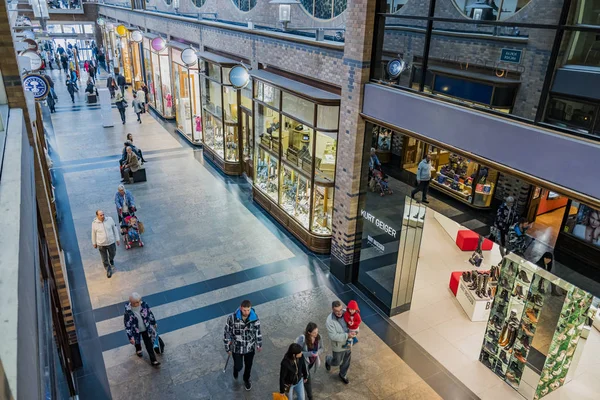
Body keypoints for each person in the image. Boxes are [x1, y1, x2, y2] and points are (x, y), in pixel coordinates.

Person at [223, 299, 262, 391]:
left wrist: (259, 343)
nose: (247, 312)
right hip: (237, 347)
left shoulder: (254, 317)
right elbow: (227, 333)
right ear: (241, 308)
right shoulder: (231, 318)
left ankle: (246, 379)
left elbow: (258, 331)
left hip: (250, 347)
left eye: (248, 310)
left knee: (248, 365)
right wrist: (227, 348)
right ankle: (236, 369)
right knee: (239, 366)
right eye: (244, 310)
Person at [123, 292, 161, 367]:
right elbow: (127, 325)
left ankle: (154, 360)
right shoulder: (128, 311)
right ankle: (138, 349)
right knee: (137, 341)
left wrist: (153, 322)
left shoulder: (144, 304)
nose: (140, 302)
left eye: (140, 300)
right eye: (137, 302)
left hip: (145, 328)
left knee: (149, 344)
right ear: (132, 303)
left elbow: (149, 313)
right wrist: (130, 337)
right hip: (136, 330)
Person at [325, 300, 354, 384]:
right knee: (337, 362)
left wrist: (355, 331)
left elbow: (355, 323)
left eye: (341, 309)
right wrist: (347, 335)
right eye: (337, 311)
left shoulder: (347, 313)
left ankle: (342, 374)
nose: (339, 312)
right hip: (338, 346)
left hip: (348, 342)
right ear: (332, 310)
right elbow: (333, 336)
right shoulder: (329, 321)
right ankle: (328, 359)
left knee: (347, 359)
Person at [296, 322, 323, 400]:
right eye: (314, 333)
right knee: (307, 378)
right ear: (309, 332)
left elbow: (322, 348)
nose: (316, 334)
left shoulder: (319, 337)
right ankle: (310, 396)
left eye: (317, 331)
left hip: (312, 361)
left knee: (305, 376)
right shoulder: (303, 339)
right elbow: (298, 353)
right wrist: (309, 354)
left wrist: (318, 353)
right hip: (304, 363)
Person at [91, 210, 120, 278]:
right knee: (104, 258)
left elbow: (114, 229)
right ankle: (108, 269)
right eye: (100, 215)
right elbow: (93, 233)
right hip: (101, 244)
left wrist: (117, 239)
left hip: (111, 242)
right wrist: (94, 243)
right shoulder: (94, 223)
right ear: (97, 216)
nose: (102, 216)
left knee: (113, 253)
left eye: (103, 214)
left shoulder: (110, 220)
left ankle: (111, 259)